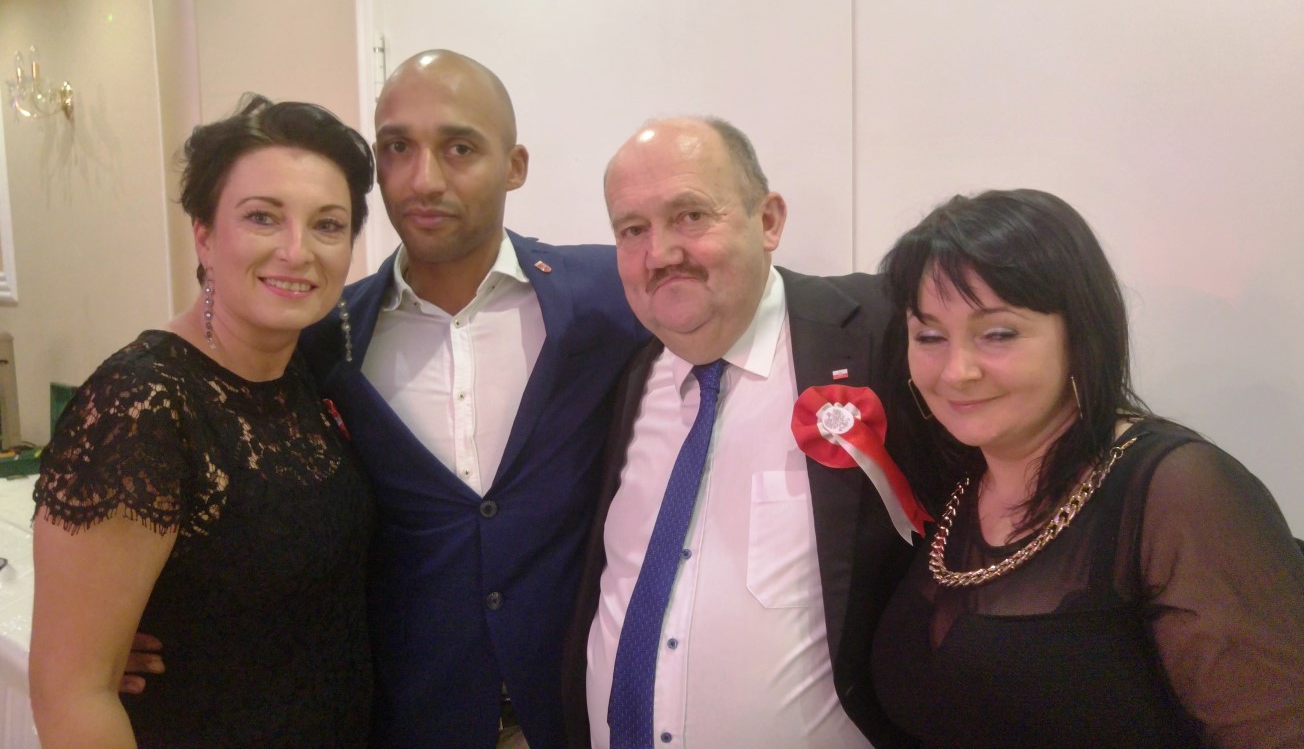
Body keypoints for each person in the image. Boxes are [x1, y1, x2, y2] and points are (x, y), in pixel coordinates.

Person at [296, 50, 647, 748]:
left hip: (577, 712)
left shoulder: (609, 294)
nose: (424, 179)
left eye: (459, 147)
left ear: (515, 165)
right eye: (398, 148)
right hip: (414, 719)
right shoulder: (326, 337)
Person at [870, 189, 1304, 748]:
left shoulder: (1177, 489)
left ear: (1079, 335)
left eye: (998, 333)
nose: (957, 371)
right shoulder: (954, 484)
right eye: (929, 336)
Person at [29, 95, 376, 748]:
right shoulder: (142, 404)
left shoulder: (305, 369)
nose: (297, 250)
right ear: (204, 235)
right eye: (262, 217)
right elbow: (72, 693)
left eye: (328, 225)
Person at [562, 117, 918, 748]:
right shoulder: (625, 374)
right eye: (632, 229)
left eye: (691, 215)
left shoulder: (881, 333)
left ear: (769, 220)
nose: (660, 254)